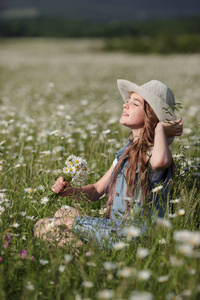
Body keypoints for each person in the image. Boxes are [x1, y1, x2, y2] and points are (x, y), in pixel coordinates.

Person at [34, 79, 183, 248]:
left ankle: (86, 261)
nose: (125, 105)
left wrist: (160, 130)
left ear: (151, 115)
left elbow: (160, 161)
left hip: (133, 235)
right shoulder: (126, 151)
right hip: (116, 228)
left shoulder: (153, 150)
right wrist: (68, 191)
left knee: (43, 226)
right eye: (127, 101)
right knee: (63, 212)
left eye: (135, 103)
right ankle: (88, 250)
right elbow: (97, 190)